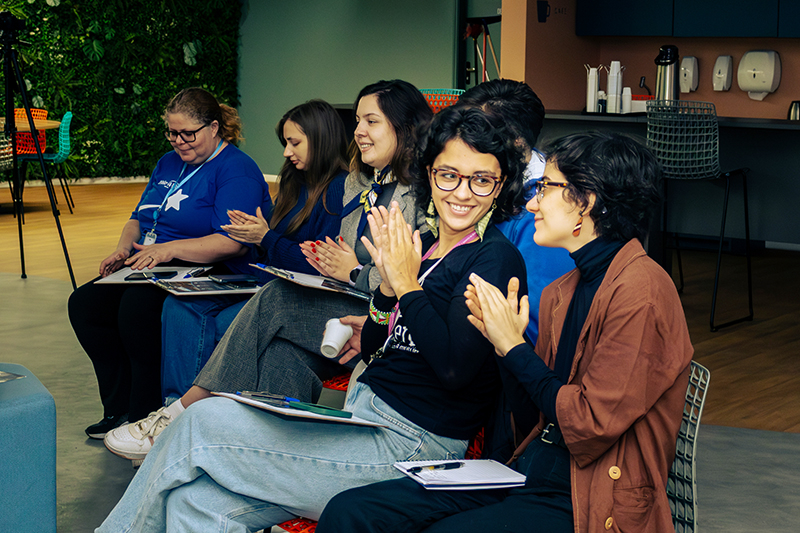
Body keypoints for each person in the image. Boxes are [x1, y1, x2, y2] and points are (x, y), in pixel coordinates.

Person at [95, 105, 529, 533]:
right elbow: (375, 345)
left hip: (411, 446)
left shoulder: (493, 258)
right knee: (196, 502)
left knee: (199, 423)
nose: (462, 193)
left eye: (481, 180)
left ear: (501, 185)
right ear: (430, 173)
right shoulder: (426, 244)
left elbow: (454, 370)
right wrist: (385, 294)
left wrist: (406, 285)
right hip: (363, 419)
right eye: (449, 174)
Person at [315, 132, 694, 533]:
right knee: (351, 510)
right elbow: (534, 417)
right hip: (529, 469)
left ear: (586, 201)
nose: (532, 203)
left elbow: (587, 426)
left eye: (546, 188)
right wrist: (503, 347)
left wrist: (513, 346)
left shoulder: (642, 293)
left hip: (588, 494)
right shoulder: (564, 289)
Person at [100, 79, 433, 464]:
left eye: (371, 122)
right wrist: (334, 265)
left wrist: (354, 271)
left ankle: (182, 413)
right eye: (357, 121)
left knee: (275, 297)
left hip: (382, 319)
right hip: (342, 307)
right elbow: (330, 258)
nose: (357, 131)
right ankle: (265, 462)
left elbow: (419, 276)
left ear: (405, 127)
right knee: (281, 353)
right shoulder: (360, 183)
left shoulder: (425, 192)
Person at [68, 87, 271, 439]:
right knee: (85, 305)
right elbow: (138, 217)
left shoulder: (237, 170)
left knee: (137, 311)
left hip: (212, 268)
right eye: (172, 133)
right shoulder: (168, 162)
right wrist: (123, 249)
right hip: (154, 261)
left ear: (213, 127)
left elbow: (232, 244)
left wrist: (168, 250)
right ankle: (118, 408)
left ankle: (144, 414)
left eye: (188, 133)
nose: (179, 141)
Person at [156, 99, 349, 406]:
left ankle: (192, 409)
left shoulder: (339, 189)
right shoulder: (294, 180)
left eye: (294, 143)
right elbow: (277, 248)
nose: (286, 152)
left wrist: (265, 237)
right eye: (285, 143)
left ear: (321, 140)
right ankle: (174, 406)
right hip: (266, 284)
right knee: (179, 306)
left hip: (299, 298)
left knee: (221, 325)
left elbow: (320, 265)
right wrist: (256, 235)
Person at [454, 79, 574, 343]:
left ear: (516, 141)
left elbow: (537, 324)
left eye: (476, 131)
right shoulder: (472, 184)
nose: (460, 140)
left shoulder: (540, 211)